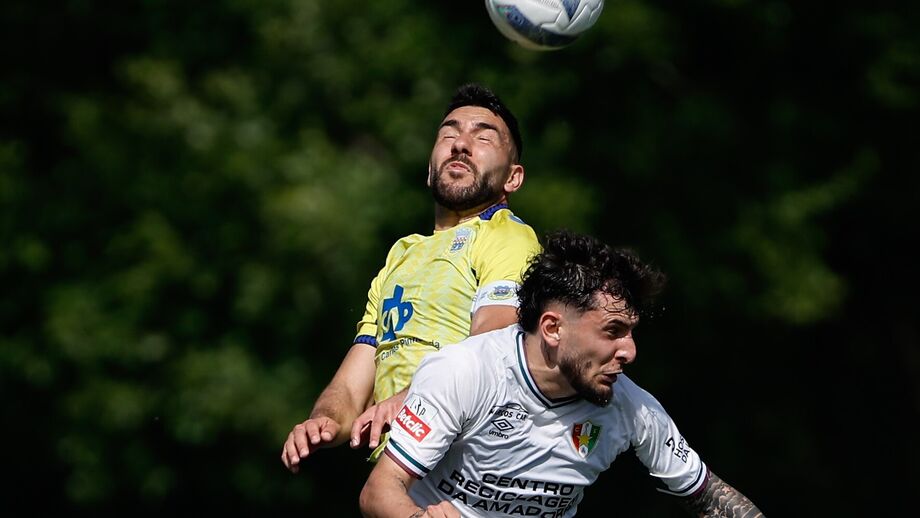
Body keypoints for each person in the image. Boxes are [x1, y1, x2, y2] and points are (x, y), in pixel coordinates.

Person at [360, 231, 765, 517]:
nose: (629, 351)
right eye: (612, 331)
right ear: (553, 328)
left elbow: (708, 497)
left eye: (631, 333)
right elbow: (379, 491)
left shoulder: (632, 407)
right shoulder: (465, 371)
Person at [281, 84, 541, 472]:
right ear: (430, 169)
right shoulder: (402, 255)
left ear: (513, 178)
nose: (461, 144)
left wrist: (414, 397)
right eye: (449, 134)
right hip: (402, 467)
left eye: (483, 137)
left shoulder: (508, 236)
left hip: (470, 468)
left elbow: (493, 344)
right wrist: (326, 420)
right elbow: (356, 376)